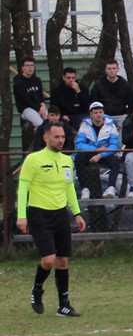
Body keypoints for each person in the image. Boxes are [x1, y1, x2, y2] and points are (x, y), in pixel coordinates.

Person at [17, 121, 86, 317]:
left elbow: (69, 187)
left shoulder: (67, 161)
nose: (60, 140)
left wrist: (77, 213)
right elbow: (23, 188)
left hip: (60, 214)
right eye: (56, 137)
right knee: (48, 260)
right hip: (39, 214)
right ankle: (37, 289)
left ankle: (64, 305)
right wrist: (21, 216)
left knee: (62, 260)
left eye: (63, 137)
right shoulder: (33, 160)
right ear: (46, 138)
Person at [75, 101, 122, 199]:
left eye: (100, 112)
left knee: (115, 161)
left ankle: (111, 188)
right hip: (90, 154)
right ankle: (85, 189)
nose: (98, 115)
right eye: (95, 112)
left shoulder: (111, 125)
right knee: (78, 159)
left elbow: (114, 145)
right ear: (91, 114)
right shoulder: (84, 125)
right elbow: (79, 144)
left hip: (105, 154)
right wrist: (96, 150)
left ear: (103, 112)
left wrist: (100, 154)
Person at [13, 56, 47, 148]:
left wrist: (43, 106)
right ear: (22, 68)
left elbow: (41, 97)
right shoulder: (18, 83)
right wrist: (40, 110)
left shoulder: (37, 80)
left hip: (39, 108)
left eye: (32, 65)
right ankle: (39, 146)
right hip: (26, 109)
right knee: (40, 124)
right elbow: (26, 100)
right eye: (27, 65)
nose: (30, 68)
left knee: (51, 121)